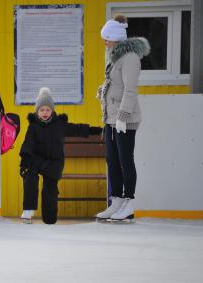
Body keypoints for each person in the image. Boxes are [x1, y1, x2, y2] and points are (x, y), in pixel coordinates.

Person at [19, 87, 102, 224]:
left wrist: (98, 130)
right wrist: (25, 162)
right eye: (42, 110)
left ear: (52, 110)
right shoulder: (33, 127)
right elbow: (28, 144)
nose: (45, 113)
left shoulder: (60, 125)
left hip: (53, 162)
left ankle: (50, 219)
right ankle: (28, 210)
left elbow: (78, 129)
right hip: (38, 160)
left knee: (50, 188)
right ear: (37, 111)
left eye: (47, 109)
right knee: (29, 175)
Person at [96, 14, 150, 221]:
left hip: (125, 118)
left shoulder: (130, 58)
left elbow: (130, 90)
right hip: (110, 117)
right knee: (113, 160)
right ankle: (116, 200)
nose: (104, 41)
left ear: (117, 37)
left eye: (107, 37)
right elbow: (115, 83)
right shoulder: (113, 55)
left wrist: (123, 116)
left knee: (125, 160)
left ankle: (129, 202)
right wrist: (104, 90)